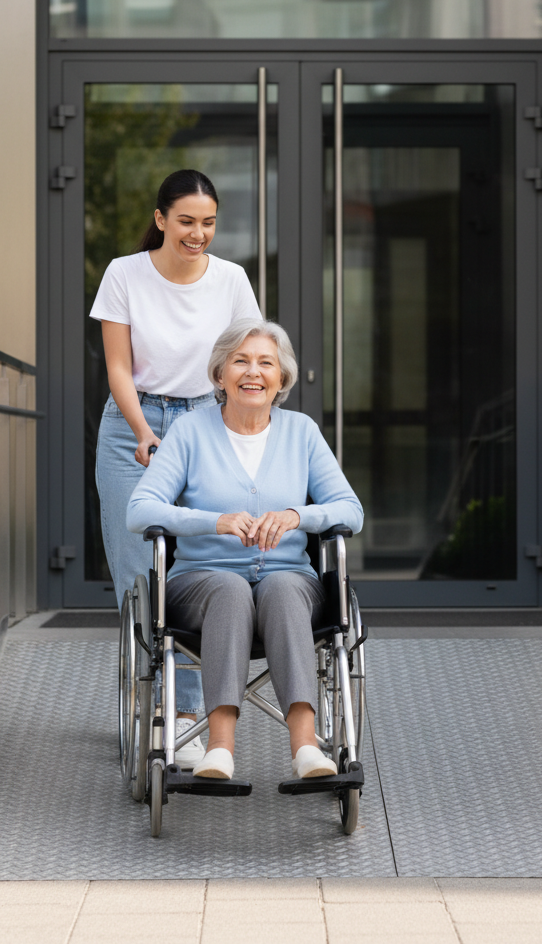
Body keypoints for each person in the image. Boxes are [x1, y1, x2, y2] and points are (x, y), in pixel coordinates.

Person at [126, 319, 363, 780]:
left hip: (289, 582)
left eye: (265, 363)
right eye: (240, 360)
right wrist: (215, 522)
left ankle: (306, 750)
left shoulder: (302, 432)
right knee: (231, 589)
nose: (253, 372)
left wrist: (298, 515)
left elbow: (350, 510)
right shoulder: (191, 432)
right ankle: (219, 751)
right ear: (220, 375)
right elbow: (140, 509)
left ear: (281, 379)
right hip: (201, 585)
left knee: (282, 587)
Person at [91, 170, 261, 768]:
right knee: (139, 571)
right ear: (161, 219)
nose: (198, 233)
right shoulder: (125, 273)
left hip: (203, 424)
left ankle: (187, 713)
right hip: (130, 427)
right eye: (186, 221)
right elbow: (118, 367)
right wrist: (143, 433)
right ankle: (149, 699)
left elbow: (246, 362)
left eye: (208, 222)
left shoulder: (233, 281)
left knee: (195, 569)